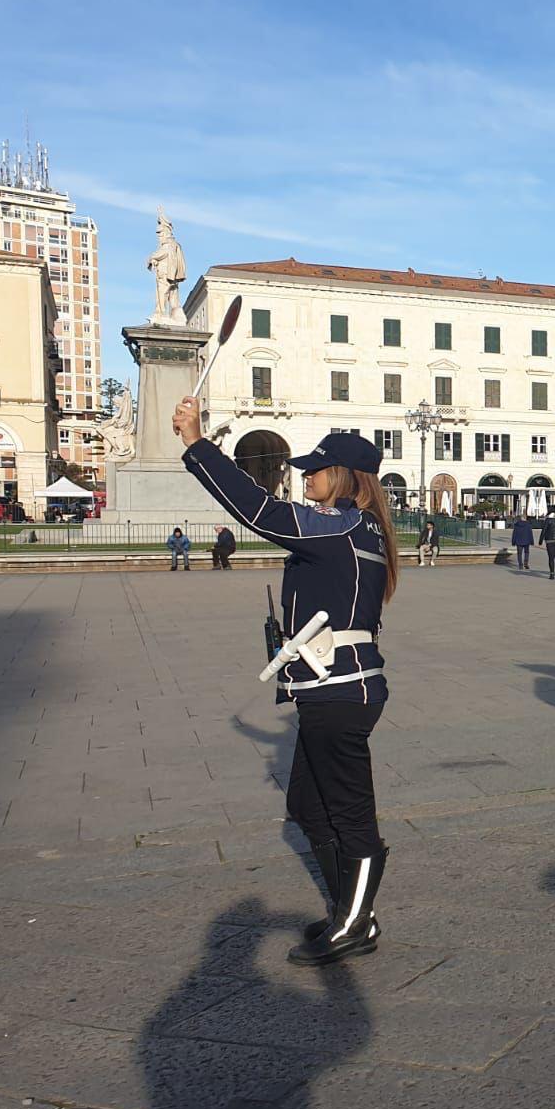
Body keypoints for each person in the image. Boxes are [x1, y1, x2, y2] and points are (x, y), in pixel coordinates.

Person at [173, 398, 399, 967]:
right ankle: (350, 906)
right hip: (333, 686)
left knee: (349, 813)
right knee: (305, 802)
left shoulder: (341, 523)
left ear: (342, 476)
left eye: (314, 468)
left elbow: (257, 512)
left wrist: (198, 445)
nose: (304, 476)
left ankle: (356, 923)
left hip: (340, 689)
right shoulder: (361, 528)